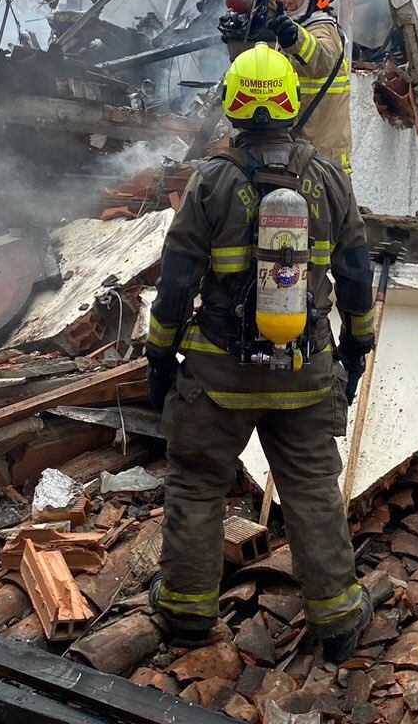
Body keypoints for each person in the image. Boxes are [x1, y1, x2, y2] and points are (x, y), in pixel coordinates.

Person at [146, 43, 375, 660]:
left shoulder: (211, 182)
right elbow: (356, 271)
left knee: (196, 487)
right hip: (306, 372)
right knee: (312, 491)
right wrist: (358, 344)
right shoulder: (329, 178)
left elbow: (175, 282)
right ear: (291, 101)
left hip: (219, 374)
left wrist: (159, 359)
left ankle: (188, 617)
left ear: (233, 105)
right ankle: (338, 620)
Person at [222, 0, 352, 174]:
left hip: (323, 161)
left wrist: (294, 38)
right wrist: (238, 35)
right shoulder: (292, 25)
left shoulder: (324, 30)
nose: (288, 1)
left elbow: (321, 59)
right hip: (298, 154)